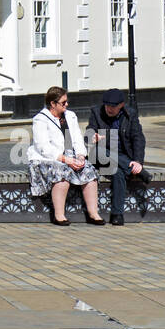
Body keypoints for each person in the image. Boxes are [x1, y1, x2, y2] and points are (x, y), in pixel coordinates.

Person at [27, 85, 105, 226]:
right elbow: (42, 147)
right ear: (53, 104)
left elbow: (77, 139)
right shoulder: (40, 119)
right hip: (47, 158)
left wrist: (81, 156)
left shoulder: (70, 116)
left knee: (89, 171)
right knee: (62, 173)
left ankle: (93, 213)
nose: (67, 105)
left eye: (67, 101)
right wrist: (65, 159)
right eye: (63, 103)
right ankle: (59, 215)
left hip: (69, 155)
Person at [86, 88, 146, 226]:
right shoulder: (96, 112)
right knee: (104, 153)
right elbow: (89, 131)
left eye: (113, 106)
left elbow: (138, 138)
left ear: (121, 105)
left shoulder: (130, 114)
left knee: (118, 173)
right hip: (100, 155)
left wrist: (137, 162)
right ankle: (129, 167)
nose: (109, 109)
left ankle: (117, 214)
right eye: (107, 105)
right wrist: (92, 136)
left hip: (120, 158)